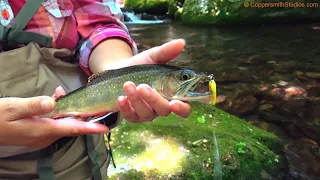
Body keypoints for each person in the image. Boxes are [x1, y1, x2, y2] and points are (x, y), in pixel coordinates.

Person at [0, 0, 191, 179]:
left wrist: (118, 67)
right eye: (184, 78)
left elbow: (98, 24)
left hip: (78, 157)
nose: (187, 81)